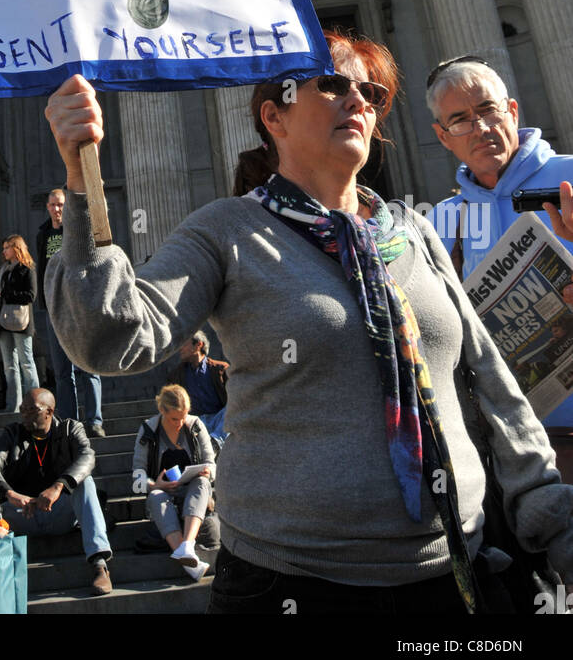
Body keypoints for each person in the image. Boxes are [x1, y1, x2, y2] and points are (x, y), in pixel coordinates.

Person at [43, 38, 573, 615]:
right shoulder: (226, 231)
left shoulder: (414, 234)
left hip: (455, 574)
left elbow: (494, 386)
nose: (358, 102)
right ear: (274, 115)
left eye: (370, 93)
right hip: (293, 587)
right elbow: (112, 338)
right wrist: (80, 178)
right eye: (333, 85)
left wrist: (553, 518)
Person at [426, 55, 573, 450]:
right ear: (443, 136)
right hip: (514, 450)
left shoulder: (570, 179)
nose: (481, 128)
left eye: (488, 110)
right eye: (460, 120)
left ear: (512, 111)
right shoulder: (442, 221)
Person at [0, 387, 113, 596]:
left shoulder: (70, 428)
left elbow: (87, 457)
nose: (25, 415)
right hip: (22, 513)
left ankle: (100, 566)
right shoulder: (13, 433)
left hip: (59, 511)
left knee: (86, 482)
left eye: (32, 410)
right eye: (22, 409)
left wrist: (58, 486)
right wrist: (10, 494)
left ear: (49, 411)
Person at [36, 188, 105, 438]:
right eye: (53, 205)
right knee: (62, 372)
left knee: (88, 366)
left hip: (79, 306)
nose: (57, 209)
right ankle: (70, 423)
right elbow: (43, 270)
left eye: (61, 205)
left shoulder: (79, 230)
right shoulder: (43, 234)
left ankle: (94, 420)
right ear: (47, 207)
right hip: (54, 309)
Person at [133, 384, 217, 579]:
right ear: (162, 410)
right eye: (174, 419)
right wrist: (155, 485)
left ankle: (186, 546)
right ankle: (189, 561)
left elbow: (211, 463)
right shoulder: (148, 430)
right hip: (164, 494)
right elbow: (137, 476)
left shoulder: (195, 425)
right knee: (155, 495)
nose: (180, 423)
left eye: (184, 416)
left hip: (193, 494)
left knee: (203, 483)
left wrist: (206, 471)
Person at [0, 235, 40, 413]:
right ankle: (14, 405)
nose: (4, 251)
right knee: (9, 366)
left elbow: (31, 296)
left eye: (7, 247)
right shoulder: (4, 270)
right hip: (2, 323)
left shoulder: (27, 269)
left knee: (26, 362)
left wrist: (10, 294)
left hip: (21, 322)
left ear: (16, 248)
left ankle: (34, 402)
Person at [167, 332, 228, 446]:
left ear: (198, 345)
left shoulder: (221, 369)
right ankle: (208, 443)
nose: (180, 349)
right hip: (195, 421)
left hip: (218, 419)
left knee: (231, 408)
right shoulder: (176, 375)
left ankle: (215, 442)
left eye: (184, 344)